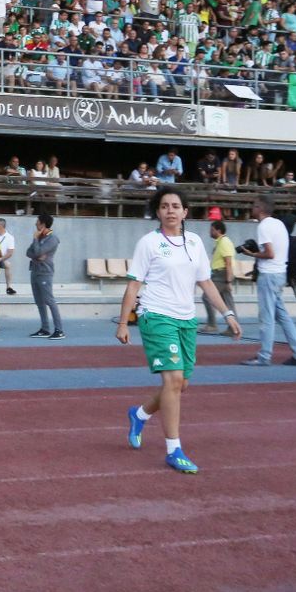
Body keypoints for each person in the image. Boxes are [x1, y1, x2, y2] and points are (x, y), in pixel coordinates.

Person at [119, 187, 242, 475]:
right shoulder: (148, 243)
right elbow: (134, 285)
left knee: (180, 385)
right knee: (173, 380)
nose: (170, 210)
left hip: (186, 320)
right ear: (158, 212)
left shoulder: (195, 242)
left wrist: (228, 313)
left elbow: (205, 282)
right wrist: (123, 322)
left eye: (176, 206)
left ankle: (139, 415)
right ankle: (174, 450)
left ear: (185, 212)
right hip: (156, 316)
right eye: (165, 206)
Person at [237, 194, 296, 366]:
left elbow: (269, 253)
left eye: (254, 206)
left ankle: (264, 356)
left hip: (269, 275)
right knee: (282, 316)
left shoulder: (264, 226)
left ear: (260, 208)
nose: (252, 208)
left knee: (267, 317)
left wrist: (252, 254)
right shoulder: (279, 224)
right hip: (280, 274)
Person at [25, 214, 62, 339]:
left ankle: (59, 330)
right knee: (39, 302)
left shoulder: (52, 238)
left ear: (43, 224)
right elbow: (29, 252)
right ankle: (45, 328)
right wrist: (37, 255)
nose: (35, 224)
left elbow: (38, 251)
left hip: (45, 272)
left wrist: (36, 243)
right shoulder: (40, 237)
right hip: (35, 271)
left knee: (49, 301)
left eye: (37, 222)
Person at [200, 219, 237, 335]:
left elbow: (228, 262)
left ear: (218, 230)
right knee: (227, 301)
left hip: (221, 275)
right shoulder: (220, 242)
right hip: (220, 274)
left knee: (207, 297)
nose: (210, 232)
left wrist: (228, 281)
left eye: (212, 230)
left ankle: (212, 325)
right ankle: (233, 328)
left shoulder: (224, 242)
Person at [0, 217, 17, 296]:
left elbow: (10, 253)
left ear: (1, 226)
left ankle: (9, 287)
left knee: (8, 265)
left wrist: (0, 259)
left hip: (0, 258)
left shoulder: (10, 237)